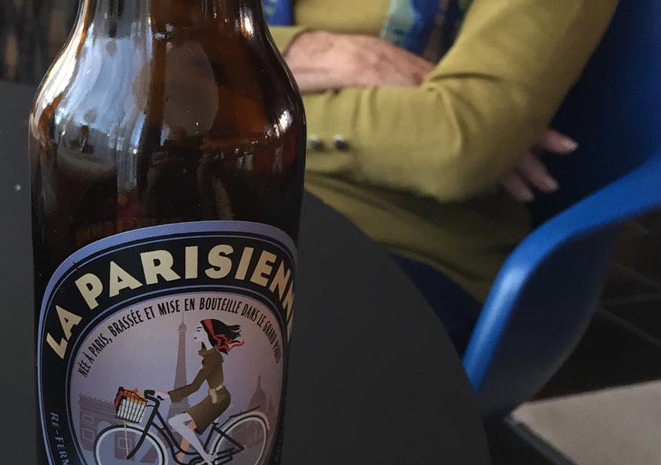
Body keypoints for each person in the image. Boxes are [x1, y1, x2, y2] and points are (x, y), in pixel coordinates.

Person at [262, 0, 618, 349]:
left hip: (399, 244)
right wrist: (298, 50)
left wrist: (243, 106)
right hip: (231, 203)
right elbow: (204, 63)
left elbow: (456, 146)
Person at [158, 319, 244, 465]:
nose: (194, 333)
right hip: (213, 398)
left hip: (218, 399)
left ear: (208, 333)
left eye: (198, 329)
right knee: (182, 425)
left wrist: (169, 395)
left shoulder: (212, 357)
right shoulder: (211, 354)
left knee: (175, 422)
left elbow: (196, 386)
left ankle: (206, 457)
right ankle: (190, 464)